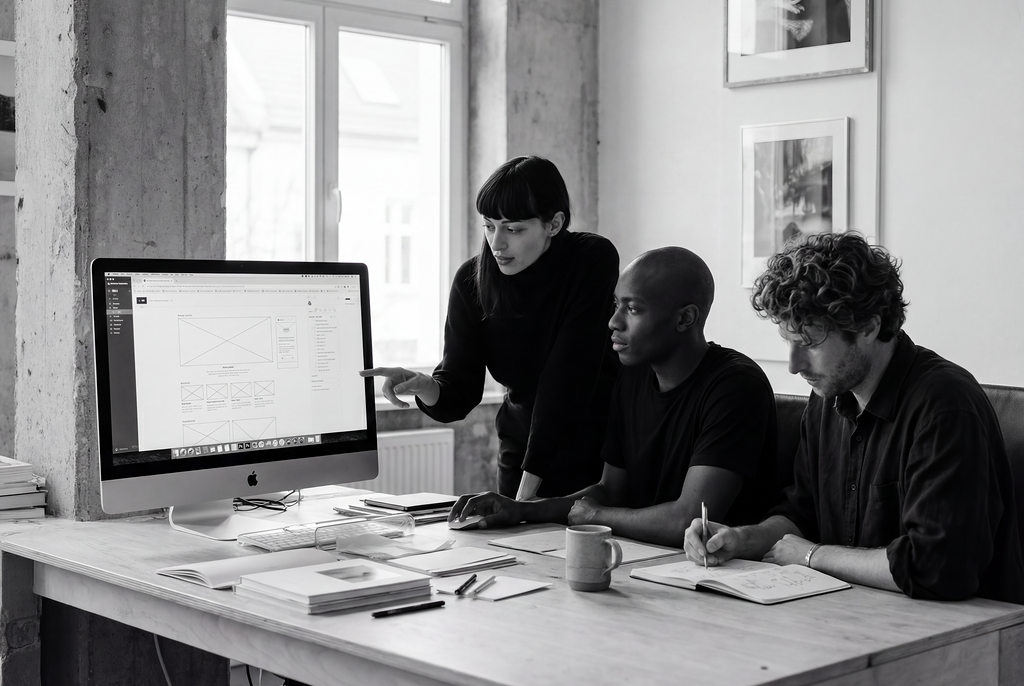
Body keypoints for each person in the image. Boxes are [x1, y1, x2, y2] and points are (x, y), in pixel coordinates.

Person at [684, 232, 1024, 604]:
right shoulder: (827, 398)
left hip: (963, 634)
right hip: (852, 614)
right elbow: (802, 513)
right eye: (788, 341)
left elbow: (936, 567)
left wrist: (812, 556)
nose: (795, 365)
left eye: (810, 343)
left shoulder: (944, 406)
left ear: (869, 326)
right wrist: (741, 539)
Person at [448, 247, 778, 547]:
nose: (613, 322)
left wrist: (596, 518)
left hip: (725, 577)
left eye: (632, 309)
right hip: (651, 565)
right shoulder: (634, 375)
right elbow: (610, 491)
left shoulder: (735, 386)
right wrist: (522, 510)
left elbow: (690, 521)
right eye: (615, 305)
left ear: (685, 319)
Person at [362, 155, 620, 500]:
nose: (496, 244)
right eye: (488, 225)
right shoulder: (472, 281)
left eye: (513, 229)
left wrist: (524, 499)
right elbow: (459, 393)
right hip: (520, 448)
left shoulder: (592, 258)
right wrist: (426, 386)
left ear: (554, 224)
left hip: (599, 452)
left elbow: (567, 378)